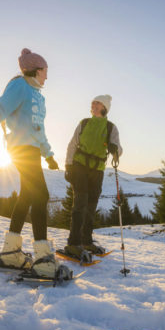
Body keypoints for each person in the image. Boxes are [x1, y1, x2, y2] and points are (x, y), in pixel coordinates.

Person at [0, 48, 69, 279]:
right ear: (36, 70)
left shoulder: (39, 96)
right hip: (20, 149)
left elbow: (39, 130)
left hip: (33, 150)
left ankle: (10, 253)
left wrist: (48, 154)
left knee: (27, 197)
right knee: (41, 196)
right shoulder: (19, 85)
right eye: (45, 71)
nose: (47, 76)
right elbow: (3, 105)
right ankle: (43, 259)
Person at [64, 95, 123, 259]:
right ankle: (73, 243)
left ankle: (86, 240)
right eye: (93, 103)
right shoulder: (84, 123)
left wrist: (114, 149)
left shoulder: (111, 128)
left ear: (105, 108)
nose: (94, 105)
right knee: (80, 203)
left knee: (91, 206)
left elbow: (119, 150)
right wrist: (68, 165)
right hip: (79, 166)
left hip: (97, 170)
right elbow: (72, 144)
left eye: (98, 103)